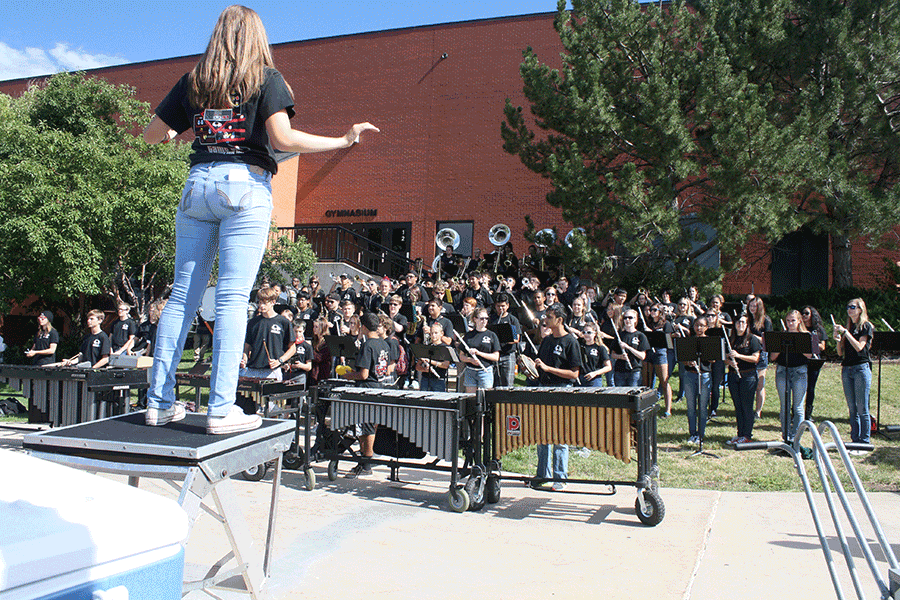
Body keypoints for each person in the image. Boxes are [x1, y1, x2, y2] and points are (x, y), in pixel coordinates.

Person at [141, 6, 378, 431]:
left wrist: (184, 130)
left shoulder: (195, 81)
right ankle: (220, 409)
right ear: (256, 37)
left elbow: (151, 135)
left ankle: (158, 402)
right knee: (233, 298)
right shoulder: (265, 78)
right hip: (244, 183)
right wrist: (343, 139)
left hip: (197, 183)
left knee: (181, 297)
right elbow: (283, 139)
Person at [533, 304, 582, 491]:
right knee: (542, 435)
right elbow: (541, 366)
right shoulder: (546, 341)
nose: (545, 320)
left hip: (562, 389)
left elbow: (574, 374)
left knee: (560, 436)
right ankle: (542, 475)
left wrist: (548, 369)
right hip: (543, 388)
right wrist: (532, 367)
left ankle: (560, 477)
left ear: (560, 320)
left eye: (549, 317)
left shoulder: (571, 341)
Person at [340, 312, 392, 478]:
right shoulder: (384, 344)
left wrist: (346, 375)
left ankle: (366, 462)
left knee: (366, 426)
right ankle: (364, 459)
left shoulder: (368, 345)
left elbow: (363, 374)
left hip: (367, 388)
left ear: (363, 327)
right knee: (369, 425)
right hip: (380, 386)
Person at [835, 298, 873, 445]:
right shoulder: (848, 327)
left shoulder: (866, 326)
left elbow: (860, 347)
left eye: (852, 307)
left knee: (862, 406)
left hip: (861, 368)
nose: (849, 310)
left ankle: (865, 440)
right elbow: (839, 353)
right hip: (847, 367)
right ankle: (855, 439)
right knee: (852, 407)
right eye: (848, 307)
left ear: (860, 309)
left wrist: (846, 333)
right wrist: (838, 339)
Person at [770, 310, 810, 444]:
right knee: (784, 405)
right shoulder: (782, 335)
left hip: (800, 371)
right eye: (788, 321)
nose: (790, 323)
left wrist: (799, 343)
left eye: (793, 320)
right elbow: (773, 357)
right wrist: (780, 344)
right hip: (783, 370)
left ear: (799, 321)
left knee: (798, 406)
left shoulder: (805, 336)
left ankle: (796, 436)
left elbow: (810, 356)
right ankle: (786, 435)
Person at [726, 313, 761, 444]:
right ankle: (740, 434)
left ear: (747, 325)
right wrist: (729, 362)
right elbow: (724, 358)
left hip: (748, 376)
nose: (740, 325)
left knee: (746, 406)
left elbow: (755, 358)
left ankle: (747, 435)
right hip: (733, 375)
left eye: (743, 322)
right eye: (738, 322)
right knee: (738, 406)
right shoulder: (731, 339)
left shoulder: (752, 339)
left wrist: (739, 356)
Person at [681, 316, 712, 445]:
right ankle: (692, 433)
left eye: (701, 326)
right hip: (690, 374)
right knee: (691, 406)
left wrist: (701, 355)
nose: (699, 328)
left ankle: (701, 434)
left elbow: (713, 359)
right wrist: (689, 361)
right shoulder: (688, 341)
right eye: (696, 325)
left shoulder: (710, 341)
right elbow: (683, 359)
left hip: (704, 375)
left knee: (703, 407)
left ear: (706, 327)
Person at [458, 307, 500, 392]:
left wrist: (479, 353)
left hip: (485, 371)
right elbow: (461, 356)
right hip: (470, 371)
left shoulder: (492, 335)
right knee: (471, 398)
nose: (484, 321)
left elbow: (496, 357)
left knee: (485, 398)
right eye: (481, 318)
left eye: (486, 318)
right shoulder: (469, 335)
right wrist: (470, 360)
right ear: (475, 319)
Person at [747, 295, 773, 419]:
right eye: (750, 306)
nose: (752, 308)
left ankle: (758, 411)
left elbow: (767, 340)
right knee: (748, 383)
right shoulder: (747, 319)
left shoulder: (765, 320)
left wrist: (752, 336)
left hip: (761, 353)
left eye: (755, 306)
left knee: (759, 384)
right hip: (748, 353)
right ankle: (748, 408)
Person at [647, 303, 675, 417]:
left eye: (654, 310)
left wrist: (658, 335)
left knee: (664, 381)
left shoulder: (666, 324)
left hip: (660, 352)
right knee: (647, 381)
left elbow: (669, 343)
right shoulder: (648, 323)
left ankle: (668, 410)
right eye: (651, 310)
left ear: (660, 312)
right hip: (648, 352)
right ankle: (647, 406)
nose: (652, 312)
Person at [800, 305, 827, 421]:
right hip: (800, 360)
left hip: (814, 361)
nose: (804, 315)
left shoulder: (818, 329)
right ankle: (796, 413)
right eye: (802, 313)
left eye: (806, 313)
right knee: (799, 388)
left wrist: (811, 341)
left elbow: (822, 346)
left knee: (810, 388)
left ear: (812, 315)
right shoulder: (799, 327)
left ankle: (808, 414)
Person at [489, 293, 521, 387]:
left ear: (507, 305)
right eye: (498, 306)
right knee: (494, 382)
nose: (501, 309)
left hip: (508, 353)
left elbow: (516, 338)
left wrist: (505, 338)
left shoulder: (512, 320)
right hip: (495, 354)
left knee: (508, 381)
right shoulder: (492, 319)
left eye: (503, 306)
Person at [611, 309, 649, 387]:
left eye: (630, 318)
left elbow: (642, 356)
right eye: (625, 318)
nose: (627, 320)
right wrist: (620, 357)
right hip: (620, 370)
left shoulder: (640, 336)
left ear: (635, 319)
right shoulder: (620, 335)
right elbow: (612, 354)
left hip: (634, 371)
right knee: (620, 395)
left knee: (632, 396)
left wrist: (628, 347)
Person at [416, 322, 451, 392]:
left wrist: (430, 361)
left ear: (442, 334)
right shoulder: (426, 347)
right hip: (425, 379)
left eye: (436, 333)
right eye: (431, 333)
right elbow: (417, 367)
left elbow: (445, 365)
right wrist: (425, 369)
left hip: (439, 380)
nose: (433, 335)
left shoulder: (445, 348)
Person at [283, 319, 313, 387]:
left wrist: (300, 365)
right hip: (287, 375)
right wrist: (284, 365)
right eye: (295, 331)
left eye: (300, 331)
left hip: (300, 375)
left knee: (299, 396)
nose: (297, 334)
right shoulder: (286, 345)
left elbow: (309, 366)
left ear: (304, 330)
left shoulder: (307, 346)